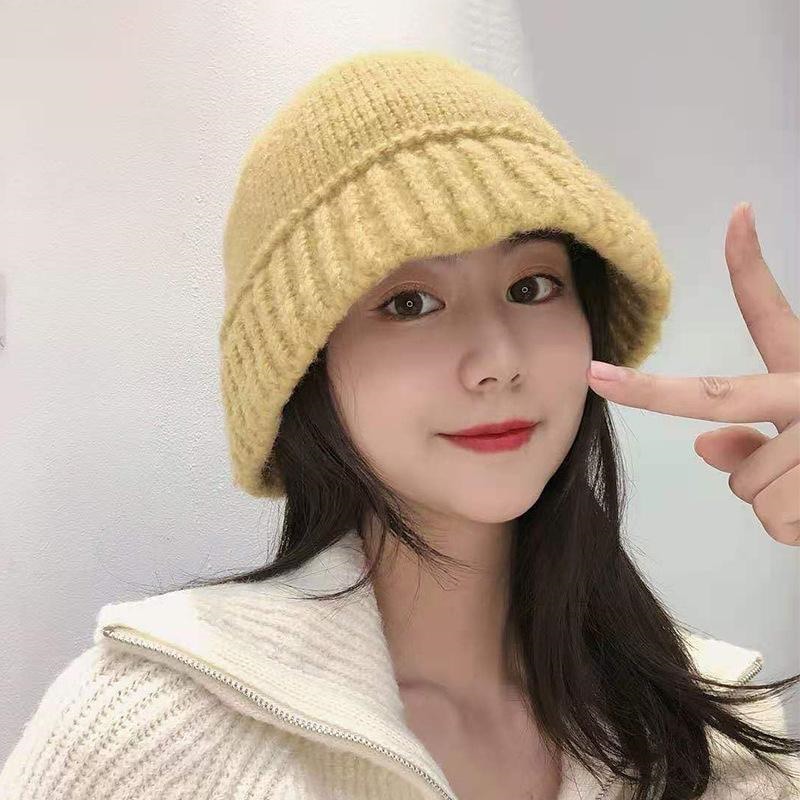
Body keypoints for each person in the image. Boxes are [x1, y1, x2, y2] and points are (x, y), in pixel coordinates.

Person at [2, 49, 799, 800]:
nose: (496, 361)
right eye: (410, 302)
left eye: (532, 287)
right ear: (303, 365)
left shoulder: (711, 733)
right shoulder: (155, 728)